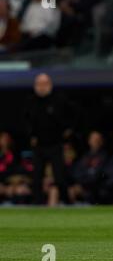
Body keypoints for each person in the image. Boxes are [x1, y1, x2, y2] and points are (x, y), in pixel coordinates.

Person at [25, 73, 77, 205]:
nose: (41, 87)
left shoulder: (59, 100)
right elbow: (26, 121)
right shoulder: (31, 102)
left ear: (50, 85)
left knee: (60, 177)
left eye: (44, 84)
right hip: (39, 146)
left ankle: (66, 202)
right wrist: (31, 136)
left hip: (55, 144)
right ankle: (37, 204)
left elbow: (72, 117)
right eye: (38, 84)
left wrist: (67, 134)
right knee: (36, 177)